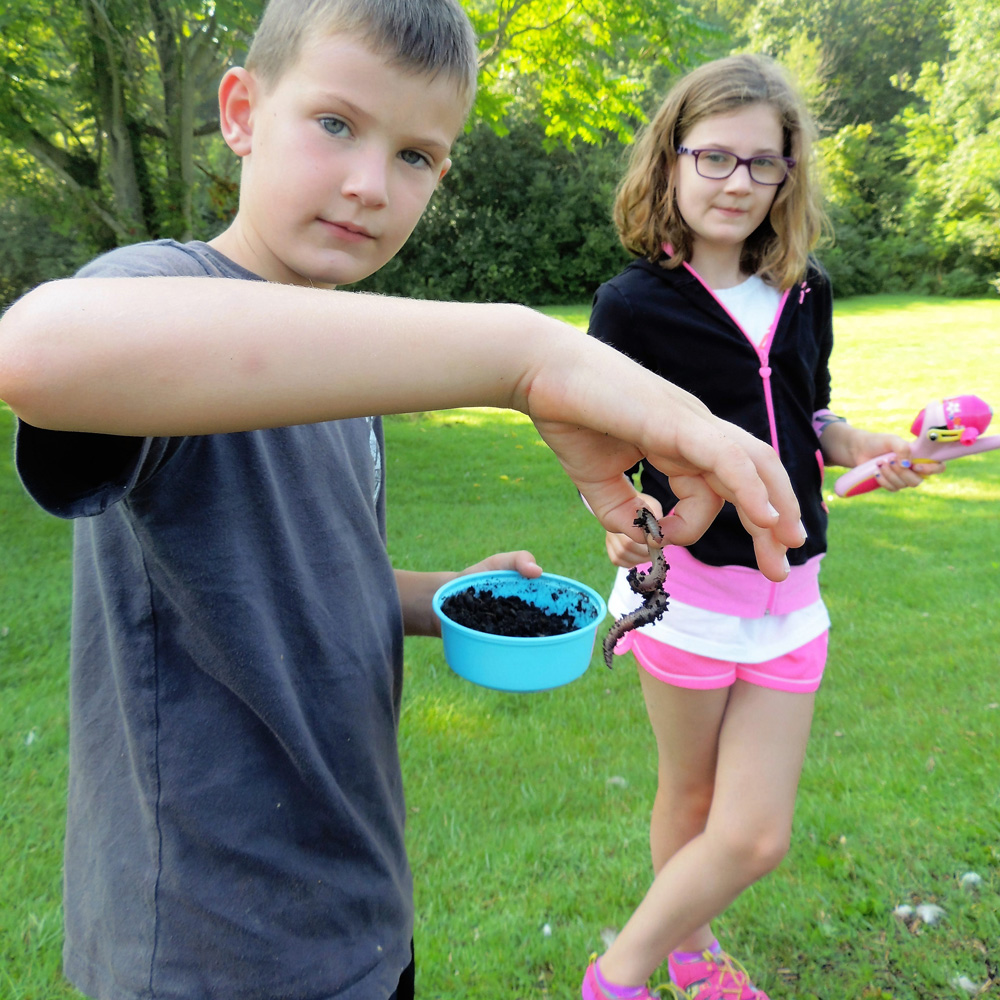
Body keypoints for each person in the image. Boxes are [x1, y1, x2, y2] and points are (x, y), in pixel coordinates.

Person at [0, 6, 809, 999]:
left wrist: (436, 597)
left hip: (356, 908)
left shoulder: (345, 364)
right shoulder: (168, 290)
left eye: (418, 155)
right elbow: (40, 350)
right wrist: (524, 354)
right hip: (210, 945)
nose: (369, 185)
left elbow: (281, 576)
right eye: (335, 123)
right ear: (242, 111)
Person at [581, 54, 943, 1000]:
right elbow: (604, 451)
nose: (738, 183)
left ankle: (616, 975)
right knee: (693, 799)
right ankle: (685, 960)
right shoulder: (629, 307)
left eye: (762, 163)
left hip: (792, 598)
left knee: (753, 831)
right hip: (687, 596)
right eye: (714, 158)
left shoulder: (806, 289)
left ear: (788, 174)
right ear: (671, 162)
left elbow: (814, 418)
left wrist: (878, 449)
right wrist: (628, 523)